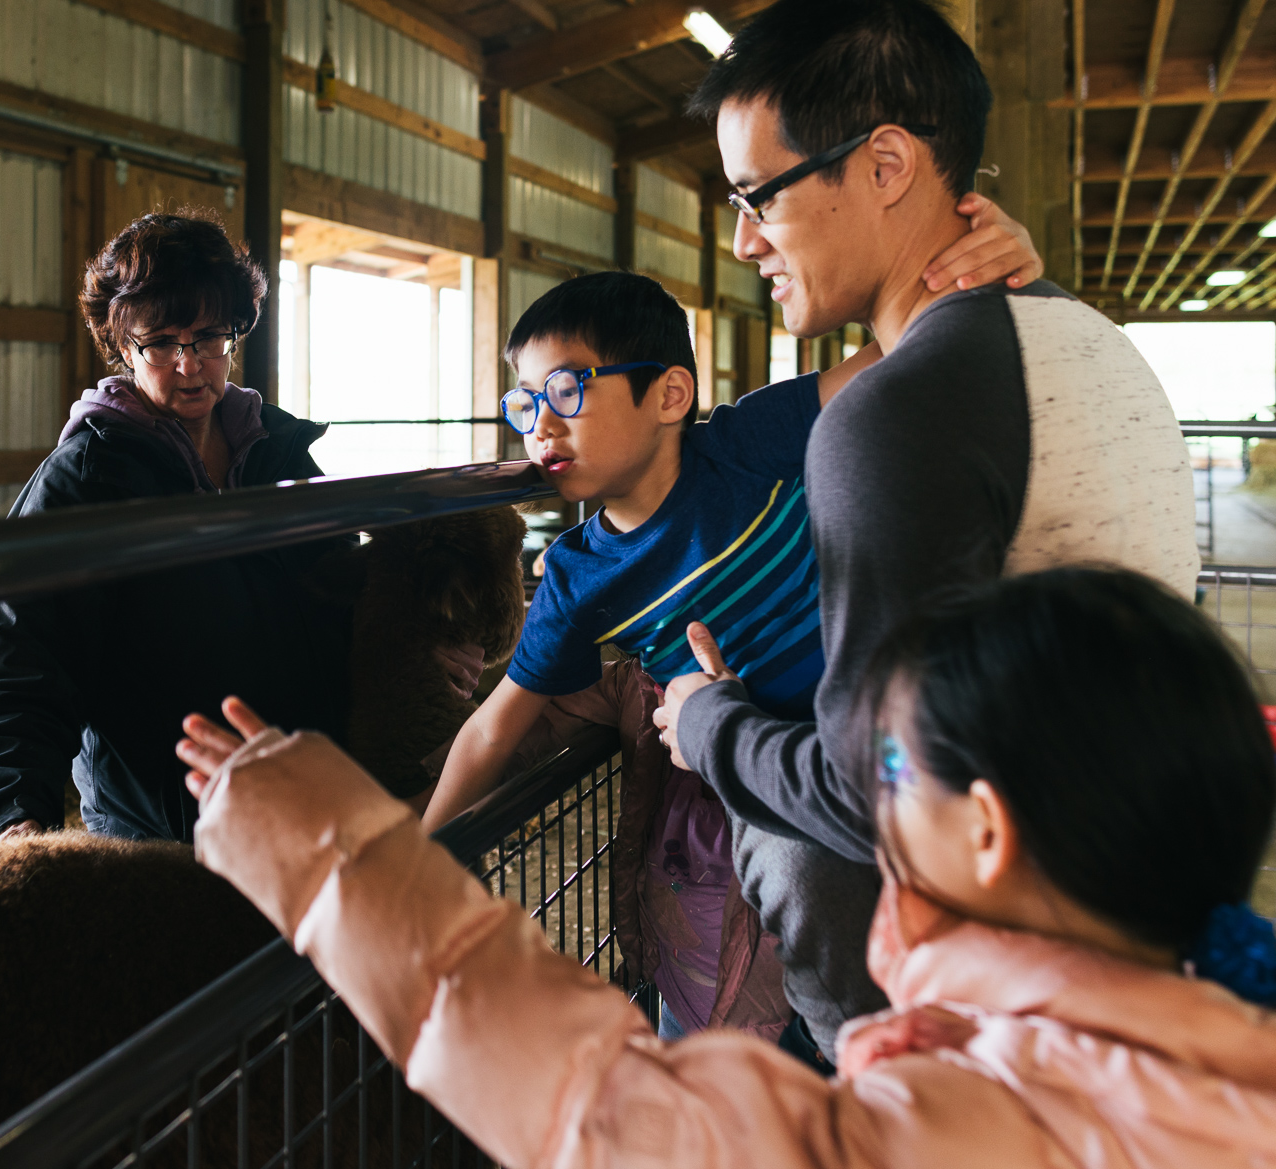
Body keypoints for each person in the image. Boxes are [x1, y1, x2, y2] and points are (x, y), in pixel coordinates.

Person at [177, 566, 1276, 1169]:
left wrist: (331, 844)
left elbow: (590, 1097)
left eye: (890, 766)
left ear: (986, 834)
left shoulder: (965, 1133)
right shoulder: (1229, 1053)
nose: (866, 786)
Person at [652, 0, 1199, 1066]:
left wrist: (710, 723)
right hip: (1131, 927)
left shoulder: (893, 414)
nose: (743, 238)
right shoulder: (1087, 339)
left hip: (966, 1029)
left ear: (887, 162)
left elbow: (884, 806)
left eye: (758, 194)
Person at [420, 215, 1042, 1044]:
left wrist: (1002, 264)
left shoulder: (747, 442)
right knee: (799, 978)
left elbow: (896, 349)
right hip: (761, 780)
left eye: (568, 390)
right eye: (524, 402)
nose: (540, 424)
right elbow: (499, 726)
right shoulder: (576, 575)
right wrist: (419, 857)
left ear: (670, 394)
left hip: (880, 740)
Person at [0, 212, 373, 844]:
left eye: (208, 339)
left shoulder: (279, 455)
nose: (189, 365)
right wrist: (12, 816)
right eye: (160, 343)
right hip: (166, 833)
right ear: (124, 347)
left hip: (306, 801)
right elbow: (14, 666)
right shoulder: (85, 482)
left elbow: (343, 598)